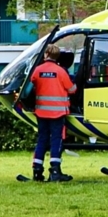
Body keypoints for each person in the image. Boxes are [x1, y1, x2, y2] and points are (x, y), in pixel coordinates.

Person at [29, 44, 76, 182]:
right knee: (56, 140)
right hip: (58, 113)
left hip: (41, 112)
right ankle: (55, 171)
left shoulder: (37, 70)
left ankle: (37, 171)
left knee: (42, 139)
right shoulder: (61, 71)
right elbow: (72, 89)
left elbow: (30, 86)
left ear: (46, 54)